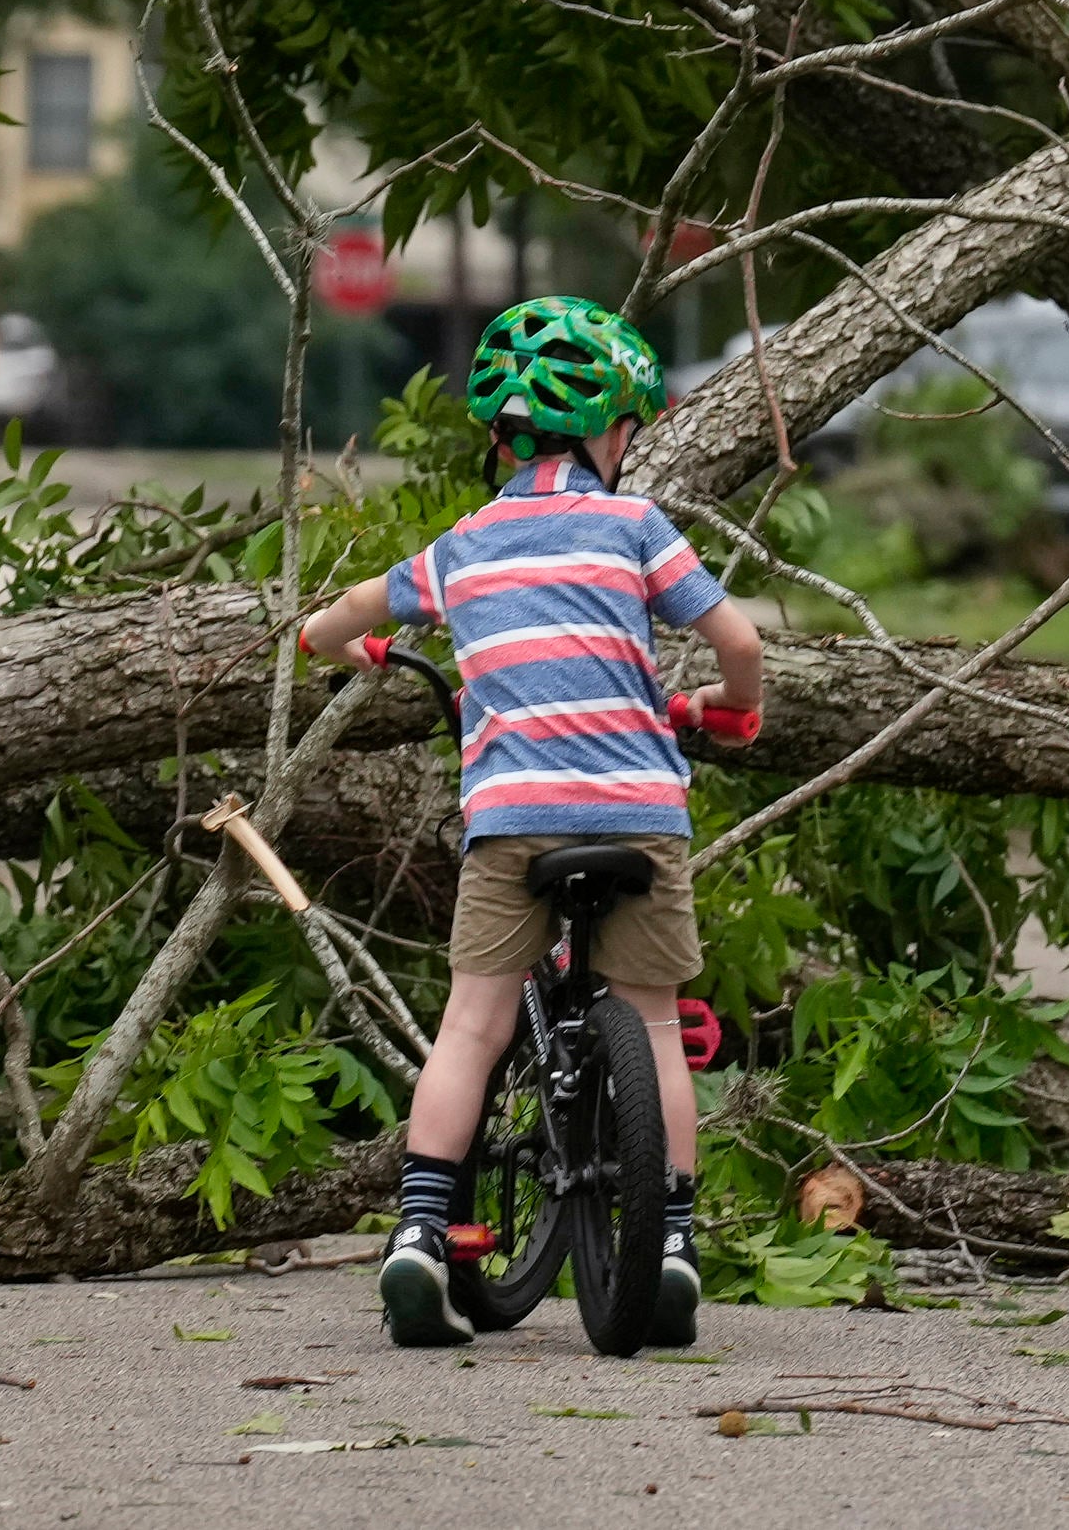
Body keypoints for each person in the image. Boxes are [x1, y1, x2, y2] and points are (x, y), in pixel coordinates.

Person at [291, 294, 765, 1350]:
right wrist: (733, 707)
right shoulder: (634, 525)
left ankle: (417, 1232)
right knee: (651, 1024)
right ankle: (675, 1243)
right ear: (615, 433)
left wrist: (343, 648)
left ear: (498, 437)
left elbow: (332, 622)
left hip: (510, 819)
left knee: (471, 1020)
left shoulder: (461, 547)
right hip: (640, 814)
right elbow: (738, 639)